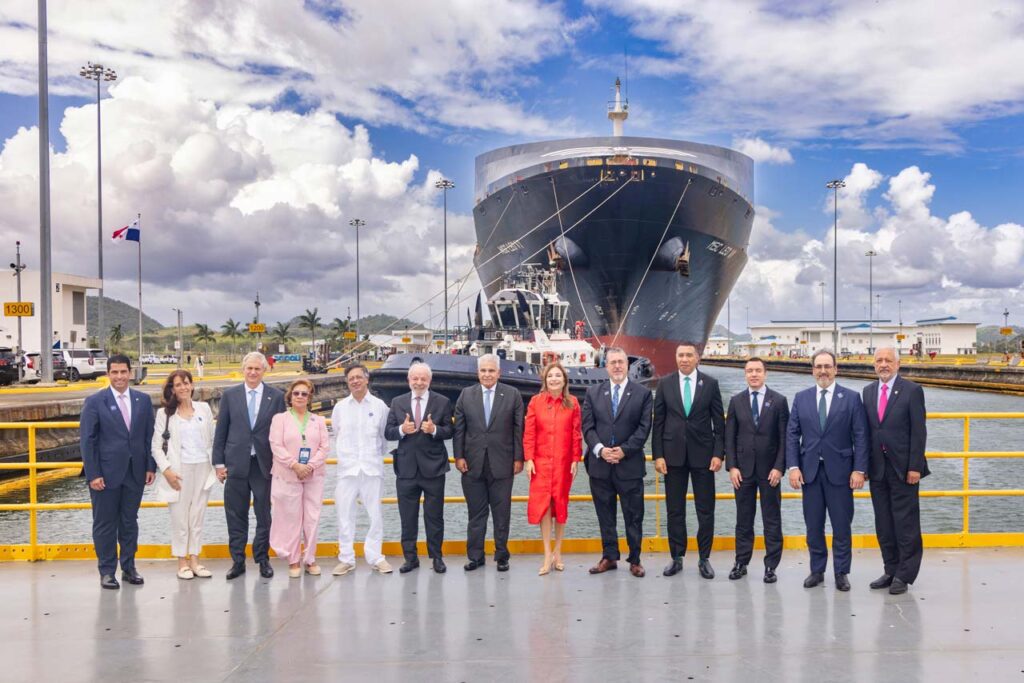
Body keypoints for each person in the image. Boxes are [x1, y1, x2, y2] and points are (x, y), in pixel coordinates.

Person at [786, 349, 869, 592]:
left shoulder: (851, 398)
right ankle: (817, 570)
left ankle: (841, 572)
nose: (823, 371)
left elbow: (860, 436)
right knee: (813, 525)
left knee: (842, 525)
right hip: (809, 472)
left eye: (827, 366)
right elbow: (792, 435)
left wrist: (859, 469)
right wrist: (793, 467)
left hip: (841, 472)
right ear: (813, 370)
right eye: (818, 366)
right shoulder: (801, 398)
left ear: (835, 369)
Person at [79, 354, 156, 589]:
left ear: (130, 373)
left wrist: (150, 466)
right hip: (105, 475)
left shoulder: (143, 400)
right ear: (108, 374)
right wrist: (93, 474)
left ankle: (129, 568)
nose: (119, 376)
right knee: (104, 523)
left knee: (129, 522)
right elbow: (88, 441)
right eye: (115, 372)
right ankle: (107, 571)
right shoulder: (95, 402)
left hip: (135, 473)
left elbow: (149, 437)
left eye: (123, 372)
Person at [653, 342, 725, 579]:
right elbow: (658, 422)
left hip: (704, 457)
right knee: (675, 510)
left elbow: (719, 424)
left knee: (706, 510)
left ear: (697, 358)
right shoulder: (665, 384)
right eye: (680, 355)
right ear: (676, 358)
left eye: (688, 355)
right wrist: (658, 455)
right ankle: (676, 557)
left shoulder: (710, 384)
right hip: (672, 456)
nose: (684, 359)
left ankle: (704, 558)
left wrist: (718, 454)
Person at [213, 352, 286, 580]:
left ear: (264, 370)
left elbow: (282, 432)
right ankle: (237, 561)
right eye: (249, 368)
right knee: (235, 515)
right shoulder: (230, 395)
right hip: (235, 464)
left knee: (264, 515)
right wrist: (218, 463)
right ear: (243, 369)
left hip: (263, 464)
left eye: (257, 369)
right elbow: (221, 431)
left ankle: (262, 558)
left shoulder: (276, 397)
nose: (253, 372)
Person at [862, 347, 929, 595]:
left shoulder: (912, 390)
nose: (883, 364)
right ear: (874, 365)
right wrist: (863, 466)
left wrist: (915, 467)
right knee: (884, 523)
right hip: (877, 469)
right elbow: (866, 432)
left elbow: (919, 432)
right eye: (879, 360)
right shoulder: (868, 392)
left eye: (888, 360)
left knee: (906, 523)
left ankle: (905, 574)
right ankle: (890, 569)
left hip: (903, 469)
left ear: (898, 364)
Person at [581, 347, 653, 577]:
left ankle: (635, 559)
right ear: (606, 366)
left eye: (621, 362)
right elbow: (587, 426)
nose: (617, 366)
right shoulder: (593, 392)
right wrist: (600, 450)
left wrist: (624, 451)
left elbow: (644, 429)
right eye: (613, 362)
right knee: (605, 515)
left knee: (634, 516)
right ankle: (609, 556)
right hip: (600, 466)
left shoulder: (643, 394)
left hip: (629, 465)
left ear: (627, 364)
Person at [453, 354, 524, 572]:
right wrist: (458, 456)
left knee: (502, 514)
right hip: (472, 465)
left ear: (499, 373)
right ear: (478, 373)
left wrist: (518, 458)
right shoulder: (466, 395)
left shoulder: (512, 395)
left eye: (491, 371)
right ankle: (475, 556)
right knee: (476, 514)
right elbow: (459, 429)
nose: (487, 374)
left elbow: (518, 429)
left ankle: (502, 556)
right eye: (483, 370)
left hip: (503, 464)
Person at [724, 357, 790, 583]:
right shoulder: (736, 401)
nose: (753, 374)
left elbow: (784, 438)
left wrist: (779, 467)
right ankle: (741, 562)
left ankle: (771, 566)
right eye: (749, 371)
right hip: (742, 471)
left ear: (765, 373)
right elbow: (730, 437)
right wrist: (732, 466)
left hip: (770, 471)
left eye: (758, 370)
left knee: (772, 519)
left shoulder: (779, 401)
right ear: (745, 374)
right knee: (743, 520)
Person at [384, 362, 454, 574]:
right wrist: (401, 430)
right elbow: (388, 432)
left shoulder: (442, 402)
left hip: (434, 468)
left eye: (423, 379)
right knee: (407, 517)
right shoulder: (397, 402)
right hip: (406, 469)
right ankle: (410, 558)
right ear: (409, 380)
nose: (419, 382)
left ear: (429, 381)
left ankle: (437, 557)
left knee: (435, 517)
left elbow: (450, 430)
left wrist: (434, 430)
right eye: (415, 378)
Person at [151, 369, 217, 579]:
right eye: (178, 384)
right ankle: (182, 562)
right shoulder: (164, 414)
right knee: (180, 518)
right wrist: (167, 471)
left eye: (186, 383)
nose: (183, 387)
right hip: (179, 472)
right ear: (172, 389)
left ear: (192, 385)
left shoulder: (203, 408)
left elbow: (212, 440)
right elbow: (156, 447)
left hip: (203, 468)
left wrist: (218, 466)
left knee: (197, 516)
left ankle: (195, 560)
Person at [330, 364, 392, 576]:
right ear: (347, 382)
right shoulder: (340, 408)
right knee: (344, 515)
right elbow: (337, 432)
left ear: (367, 379)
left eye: (359, 377)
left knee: (375, 515)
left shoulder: (380, 406)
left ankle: (376, 557)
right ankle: (346, 558)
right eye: (351, 378)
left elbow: (384, 437)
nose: (355, 381)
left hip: (371, 468)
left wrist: (373, 457)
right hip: (347, 470)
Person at [524, 362, 582, 576]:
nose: (554, 379)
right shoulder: (535, 402)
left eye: (558, 375)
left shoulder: (573, 403)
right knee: (544, 506)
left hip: (563, 462)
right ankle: (547, 553)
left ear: (564, 380)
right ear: (545, 380)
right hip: (540, 462)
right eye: (550, 376)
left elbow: (576, 433)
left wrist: (576, 458)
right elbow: (529, 432)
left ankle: (558, 551)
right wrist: (529, 459)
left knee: (560, 504)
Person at [269, 379, 331, 577]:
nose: (300, 397)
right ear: (290, 396)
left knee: (312, 517)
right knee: (290, 517)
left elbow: (324, 447)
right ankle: (293, 559)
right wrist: (294, 465)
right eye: (296, 393)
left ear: (309, 397)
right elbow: (276, 445)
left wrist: (310, 465)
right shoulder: (280, 419)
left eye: (304, 394)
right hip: (288, 474)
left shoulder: (318, 421)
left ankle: (310, 559)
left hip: (313, 475)